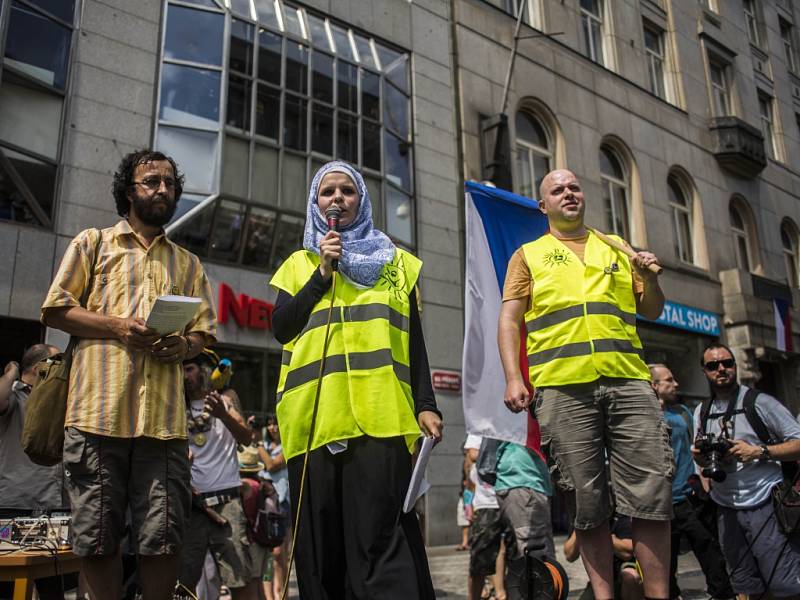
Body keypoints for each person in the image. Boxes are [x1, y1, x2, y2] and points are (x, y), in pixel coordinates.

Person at [40, 150, 216, 600]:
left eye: (170, 183)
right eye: (151, 181)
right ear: (128, 191)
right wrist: (117, 325)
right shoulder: (93, 243)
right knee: (96, 540)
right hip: (97, 417)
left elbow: (203, 335)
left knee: (164, 539)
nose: (162, 189)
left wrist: (185, 346)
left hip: (163, 426)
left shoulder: (189, 264)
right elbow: (57, 309)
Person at [270, 160, 442, 600]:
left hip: (382, 421)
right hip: (314, 422)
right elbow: (282, 327)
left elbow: (414, 344)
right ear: (315, 203)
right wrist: (321, 277)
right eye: (327, 192)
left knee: (380, 544)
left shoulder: (399, 266)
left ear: (361, 200)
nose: (337, 199)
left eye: (347, 190)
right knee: (321, 552)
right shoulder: (299, 264)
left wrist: (427, 404)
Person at [498, 169, 673, 599]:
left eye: (574, 187)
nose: (568, 193)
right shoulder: (528, 255)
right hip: (561, 388)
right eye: (557, 190)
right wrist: (513, 377)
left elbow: (651, 309)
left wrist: (649, 277)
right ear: (544, 206)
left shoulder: (615, 246)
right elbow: (509, 319)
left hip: (629, 381)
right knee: (587, 503)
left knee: (651, 495)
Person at [693, 343, 800, 598]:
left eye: (727, 363)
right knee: (744, 585)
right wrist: (702, 459)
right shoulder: (702, 410)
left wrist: (759, 451)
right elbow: (698, 454)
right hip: (726, 508)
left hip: (765, 503)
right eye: (713, 365)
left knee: (784, 584)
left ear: (735, 366)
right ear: (704, 371)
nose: (721, 369)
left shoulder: (759, 402)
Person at [180, 353, 261, 600]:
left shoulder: (226, 399)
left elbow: (247, 437)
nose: (184, 375)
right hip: (191, 507)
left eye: (190, 368)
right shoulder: (176, 405)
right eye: (180, 369)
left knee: (239, 579)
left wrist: (223, 415)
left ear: (205, 371)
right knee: (182, 585)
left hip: (227, 504)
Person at [649, 364, 733, 600]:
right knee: (665, 566)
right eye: (669, 380)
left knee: (711, 553)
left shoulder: (684, 413)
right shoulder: (642, 417)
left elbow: (695, 450)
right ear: (654, 385)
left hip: (691, 497)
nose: (675, 384)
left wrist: (704, 482)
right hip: (662, 504)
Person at [0, 344, 63, 600]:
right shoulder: (14, 397)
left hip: (54, 506)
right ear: (39, 369)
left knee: (52, 586)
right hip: (16, 505)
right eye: (57, 362)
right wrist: (12, 370)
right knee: (7, 585)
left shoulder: (58, 400)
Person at [494, 440, 555, 561]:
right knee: (535, 547)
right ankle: (537, 578)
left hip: (525, 479)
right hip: (524, 478)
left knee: (537, 546)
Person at [464, 434, 507, 600]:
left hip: (511, 495)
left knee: (505, 551)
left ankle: (501, 592)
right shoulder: (481, 426)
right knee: (480, 556)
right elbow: (473, 453)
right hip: (487, 503)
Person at [256, 414, 291, 600]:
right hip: (265, 504)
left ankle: (281, 592)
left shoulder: (288, 445)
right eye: (269, 424)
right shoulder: (265, 446)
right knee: (267, 553)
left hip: (283, 503)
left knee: (280, 553)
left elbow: (271, 465)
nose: (273, 428)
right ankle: (270, 596)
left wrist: (257, 443)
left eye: (276, 424)